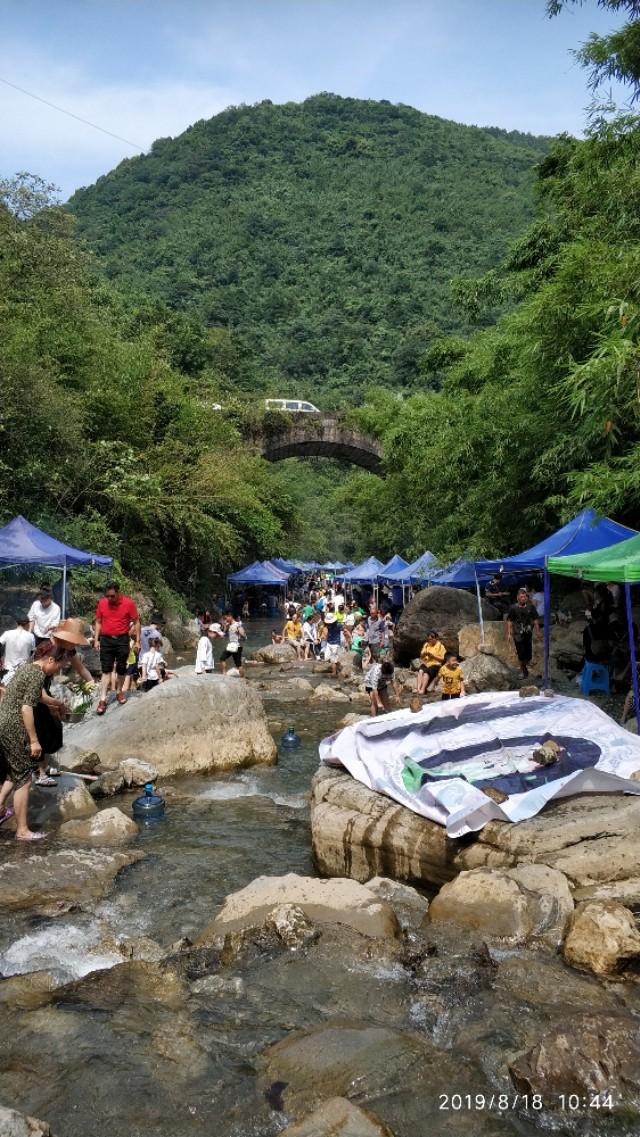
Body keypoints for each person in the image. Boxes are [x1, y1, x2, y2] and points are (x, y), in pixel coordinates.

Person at [0, 642, 67, 839]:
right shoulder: (38, 674)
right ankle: (22, 831)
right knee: (24, 779)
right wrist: (34, 740)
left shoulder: (28, 668)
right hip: (14, 726)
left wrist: (57, 703)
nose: (57, 670)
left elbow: (38, 696)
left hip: (4, 722)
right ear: (50, 660)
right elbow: (26, 708)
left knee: (15, 771)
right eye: (58, 666)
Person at [94, 582, 140, 714]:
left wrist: (137, 641)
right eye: (107, 596)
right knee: (106, 669)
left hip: (122, 639)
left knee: (121, 668)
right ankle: (102, 699)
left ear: (118, 593)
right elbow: (98, 622)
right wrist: (96, 639)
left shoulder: (129, 603)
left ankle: (119, 692)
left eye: (112, 596)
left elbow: (136, 621)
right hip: (106, 639)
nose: (109, 599)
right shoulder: (102, 603)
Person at [506, 588, 541, 678]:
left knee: (528, 656)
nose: (523, 598)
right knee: (521, 654)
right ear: (517, 597)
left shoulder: (531, 607)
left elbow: (535, 619)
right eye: (521, 597)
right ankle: (524, 671)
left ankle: (525, 668)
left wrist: (538, 631)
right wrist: (509, 633)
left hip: (528, 634)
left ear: (527, 597)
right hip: (518, 634)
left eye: (524, 597)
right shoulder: (513, 608)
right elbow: (509, 620)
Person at [0, 615, 35, 692]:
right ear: (27, 624)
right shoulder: (31, 636)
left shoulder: (7, 633)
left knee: (4, 692)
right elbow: (32, 653)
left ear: (17, 623)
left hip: (7, 669)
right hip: (23, 671)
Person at [416, 631, 446, 695]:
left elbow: (442, 659)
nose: (430, 641)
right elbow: (421, 656)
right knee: (420, 671)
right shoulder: (426, 645)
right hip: (427, 663)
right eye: (429, 639)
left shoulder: (441, 646)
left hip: (436, 664)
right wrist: (424, 654)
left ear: (436, 638)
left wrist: (433, 656)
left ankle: (423, 689)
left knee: (426, 673)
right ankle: (418, 689)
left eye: (432, 639)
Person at [323, 604, 342, 675]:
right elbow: (325, 628)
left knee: (333, 660)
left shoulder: (338, 625)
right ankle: (339, 665)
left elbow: (345, 630)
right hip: (329, 642)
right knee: (326, 658)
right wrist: (325, 635)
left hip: (336, 643)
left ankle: (334, 673)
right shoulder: (327, 624)